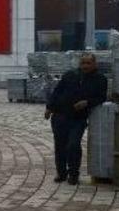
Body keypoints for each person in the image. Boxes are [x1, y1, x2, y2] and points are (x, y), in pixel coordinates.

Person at [45, 53, 108, 185]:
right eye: (83, 63)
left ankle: (73, 174)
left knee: (73, 145)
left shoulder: (100, 79)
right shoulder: (70, 75)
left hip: (78, 118)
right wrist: (49, 107)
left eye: (88, 63)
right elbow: (57, 91)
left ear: (94, 64)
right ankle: (61, 173)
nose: (85, 66)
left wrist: (87, 102)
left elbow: (101, 98)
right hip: (60, 115)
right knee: (60, 145)